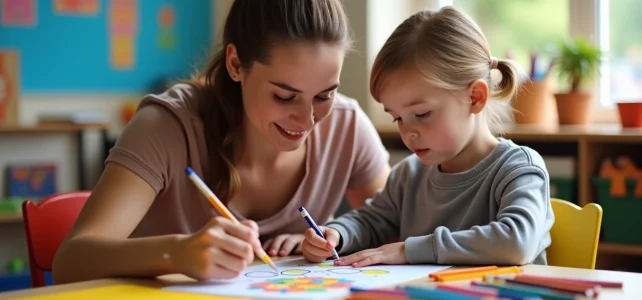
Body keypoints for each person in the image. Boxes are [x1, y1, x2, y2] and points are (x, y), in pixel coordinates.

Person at [53, 0, 390, 284]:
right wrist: (177, 253)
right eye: (284, 96)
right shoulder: (167, 126)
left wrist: (335, 234)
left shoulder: (346, 125)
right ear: (235, 64)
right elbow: (70, 261)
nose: (308, 120)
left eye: (324, 95)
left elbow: (400, 227)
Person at [301, 6, 555, 267]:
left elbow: (515, 243)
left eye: (421, 114)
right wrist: (336, 234)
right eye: (397, 118)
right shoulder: (408, 176)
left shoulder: (518, 169)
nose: (407, 132)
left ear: (475, 97)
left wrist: (407, 251)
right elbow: (369, 221)